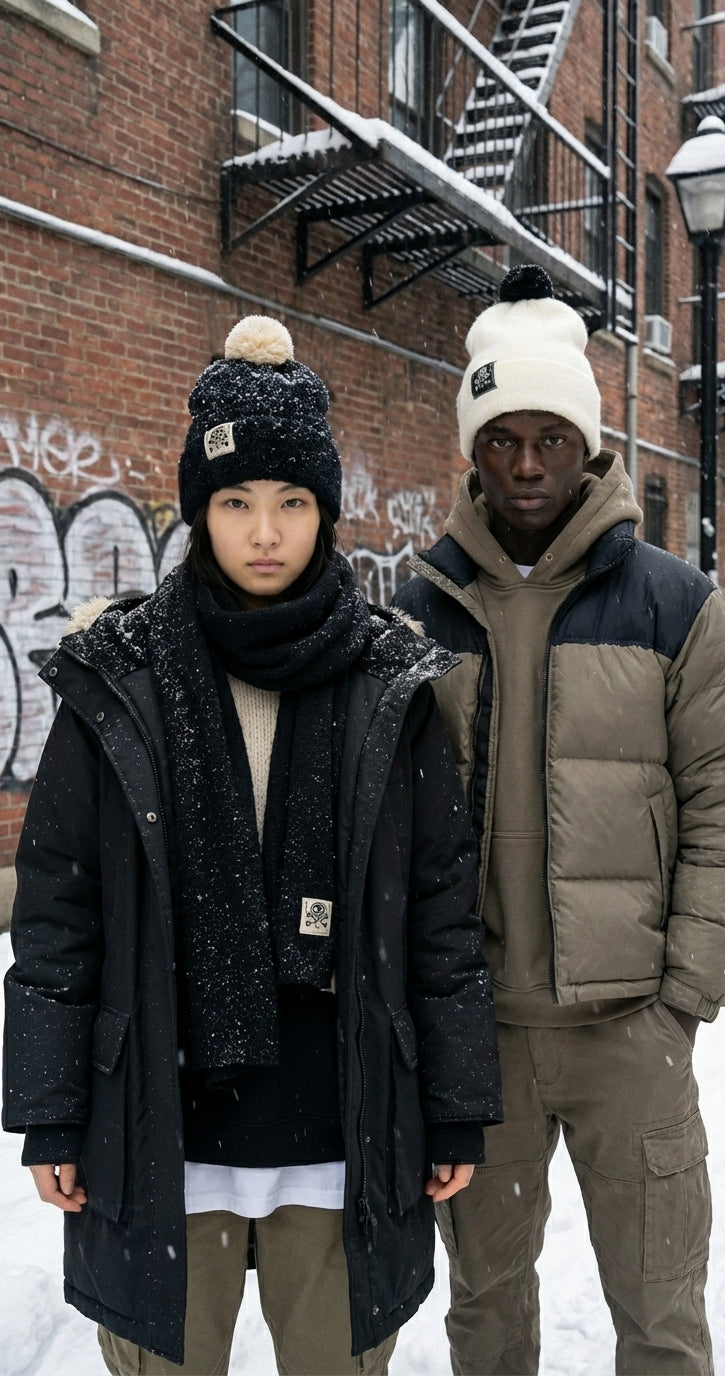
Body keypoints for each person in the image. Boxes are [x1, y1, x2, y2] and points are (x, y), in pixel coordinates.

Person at [2, 314, 502, 1376]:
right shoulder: (119, 677)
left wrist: (456, 1107)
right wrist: (50, 1112)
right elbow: (58, 911)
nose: (264, 530)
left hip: (340, 1135)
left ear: (324, 510)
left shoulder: (389, 681)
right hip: (164, 1137)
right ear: (200, 509)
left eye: (291, 501)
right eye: (235, 501)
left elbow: (440, 913)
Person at [392, 264, 725, 1376]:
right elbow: (382, 820)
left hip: (627, 1034)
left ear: (587, 444)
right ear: (474, 448)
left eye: (550, 437)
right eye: (503, 439)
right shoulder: (418, 611)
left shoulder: (672, 603)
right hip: (479, 1042)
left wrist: (684, 996)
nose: (526, 464)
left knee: (661, 1319)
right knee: (486, 1313)